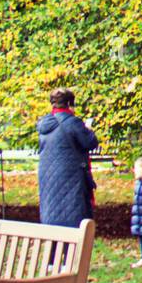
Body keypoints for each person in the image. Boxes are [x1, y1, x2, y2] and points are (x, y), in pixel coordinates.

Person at [36, 87, 98, 228]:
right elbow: (90, 142)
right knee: (74, 216)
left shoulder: (44, 125)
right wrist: (88, 129)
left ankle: (54, 248)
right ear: (70, 104)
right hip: (71, 177)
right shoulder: (73, 122)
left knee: (52, 214)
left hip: (48, 177)